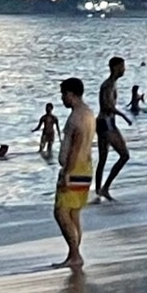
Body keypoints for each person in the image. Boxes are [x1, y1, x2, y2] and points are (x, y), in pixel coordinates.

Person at [53, 76, 95, 269]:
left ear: (71, 94)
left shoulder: (76, 117)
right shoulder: (88, 113)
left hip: (75, 168)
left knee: (61, 212)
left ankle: (75, 254)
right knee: (74, 212)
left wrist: (66, 174)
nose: (62, 98)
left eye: (64, 94)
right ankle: (74, 253)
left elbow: (75, 148)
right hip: (85, 168)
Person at [94, 56, 130, 201]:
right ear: (115, 67)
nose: (124, 70)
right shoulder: (108, 85)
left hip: (104, 122)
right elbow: (107, 106)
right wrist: (123, 115)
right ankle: (104, 188)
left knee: (103, 159)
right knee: (124, 155)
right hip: (107, 122)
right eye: (122, 67)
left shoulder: (111, 84)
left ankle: (99, 191)